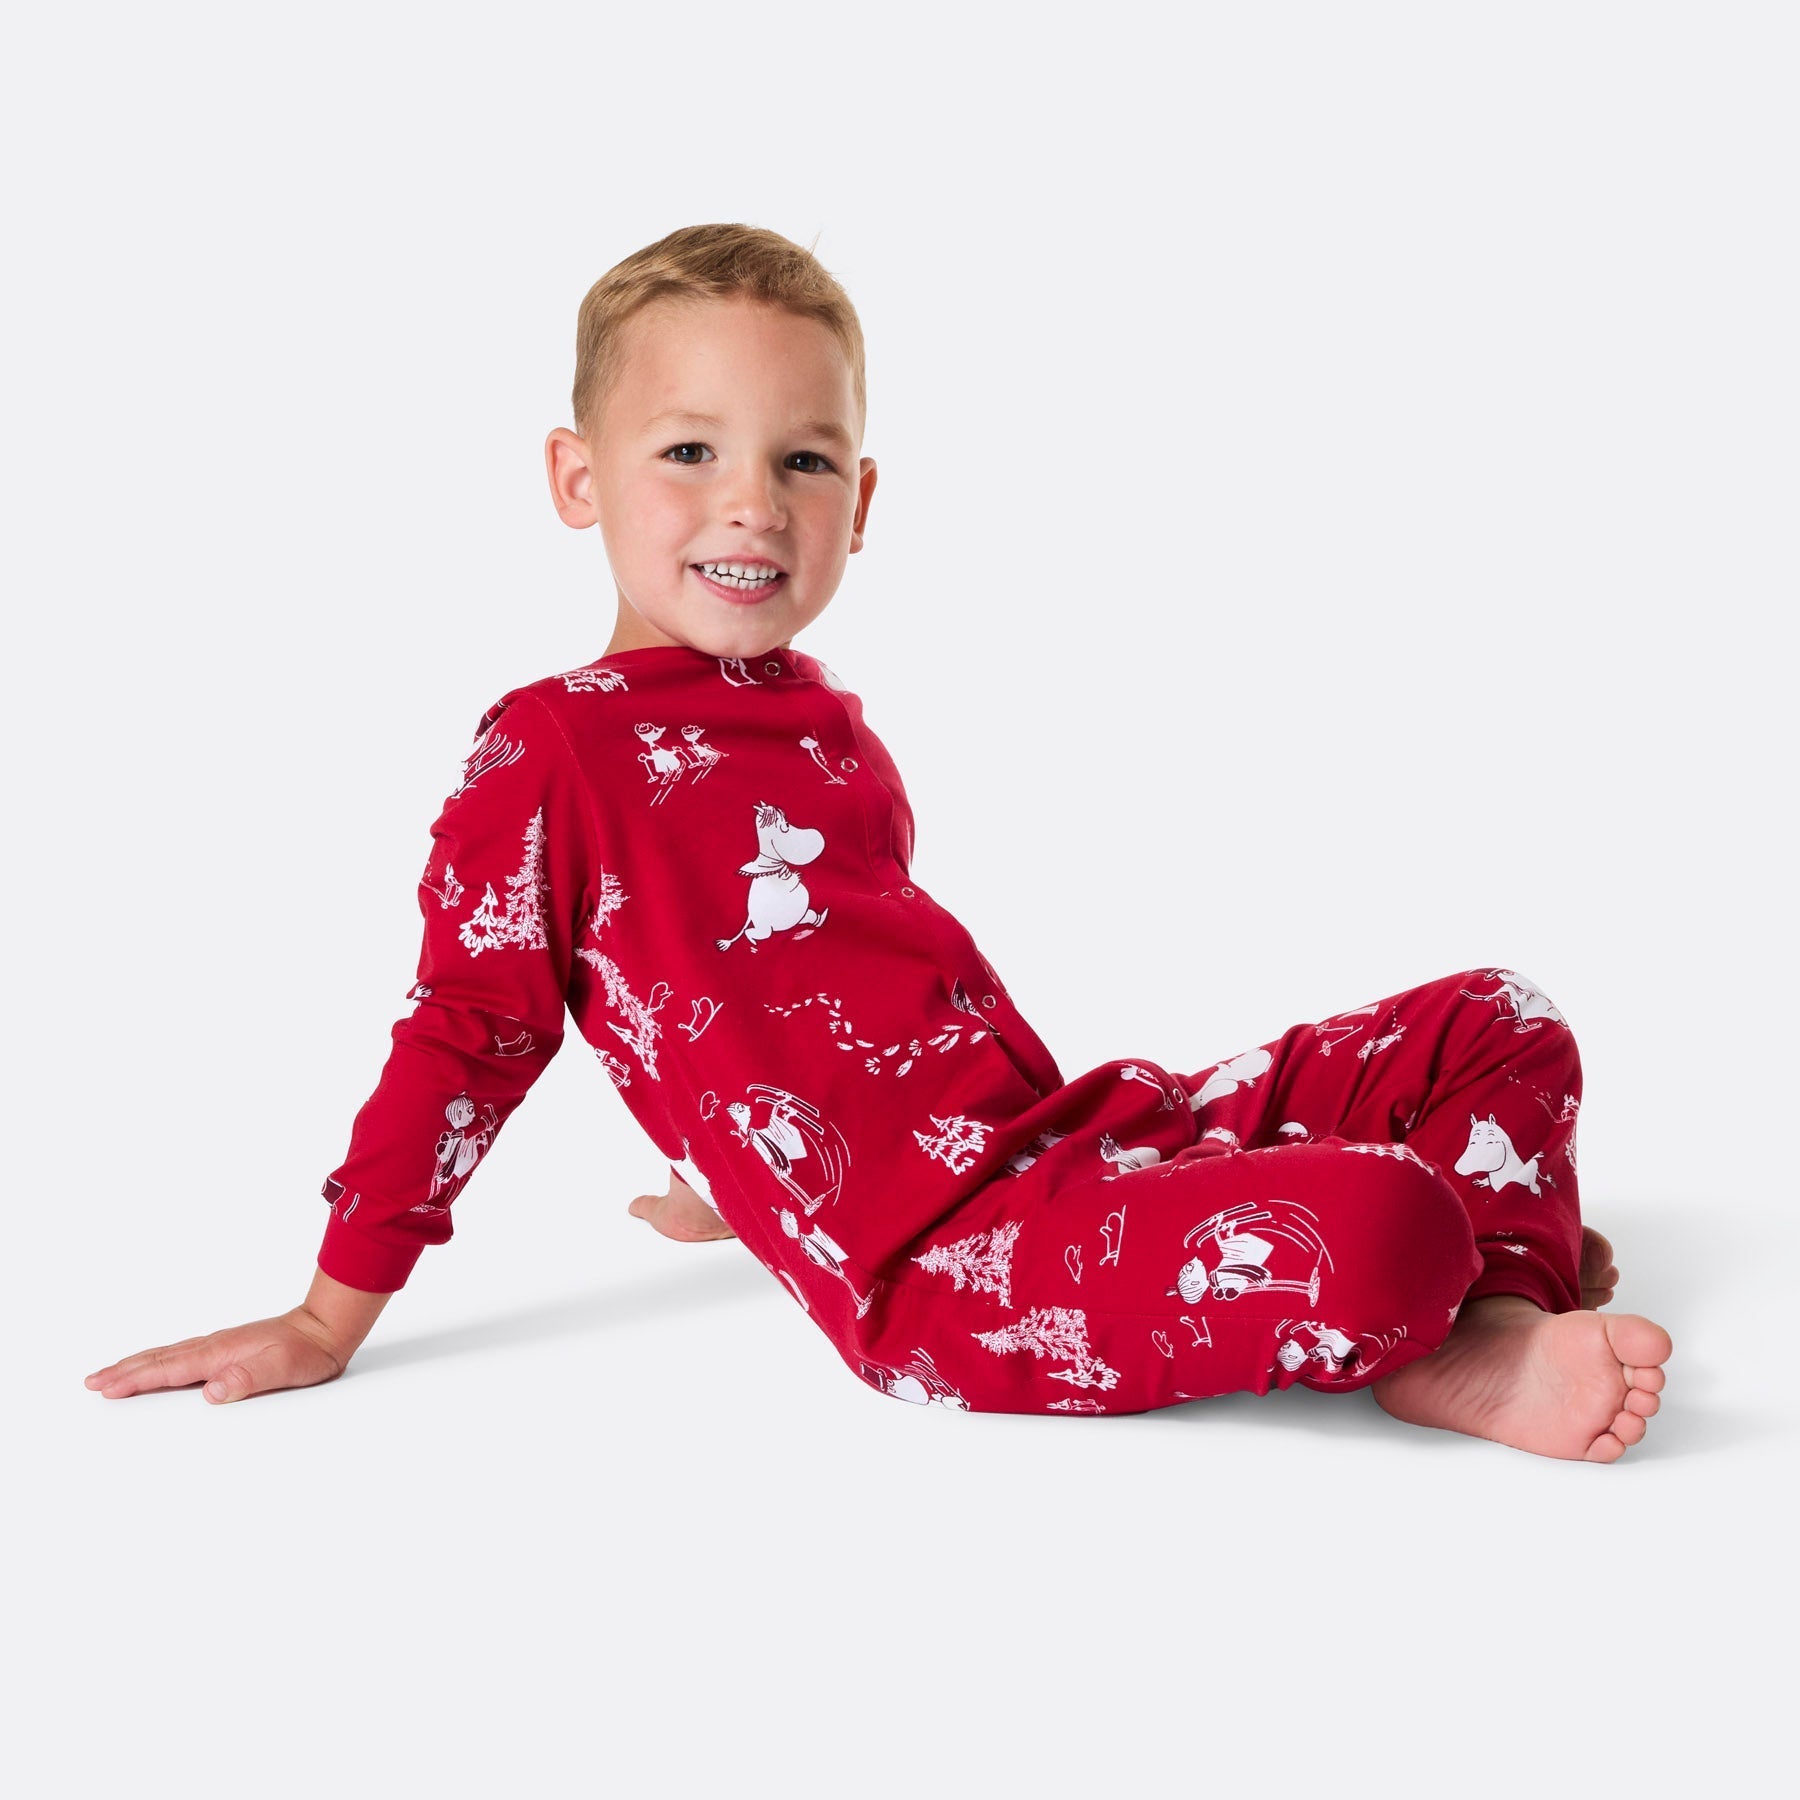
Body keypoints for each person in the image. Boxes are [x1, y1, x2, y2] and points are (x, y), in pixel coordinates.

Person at [84, 222, 1672, 1460]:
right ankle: (1455, 1295)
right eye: (689, 452)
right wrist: (326, 1316)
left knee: (1503, 1017)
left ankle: (1492, 1319)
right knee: (1391, 1219)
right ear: (578, 478)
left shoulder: (826, 723)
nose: (753, 504)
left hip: (1066, 1140)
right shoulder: (553, 747)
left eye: (804, 459)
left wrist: (736, 1173)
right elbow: (473, 1032)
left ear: (862, 499)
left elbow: (787, 992)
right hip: (943, 1269)